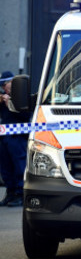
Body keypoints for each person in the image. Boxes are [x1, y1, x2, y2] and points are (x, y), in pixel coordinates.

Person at [0, 71, 29, 207]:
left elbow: (25, 115)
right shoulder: (3, 98)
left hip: (17, 136)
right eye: (3, 86)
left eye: (6, 84)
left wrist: (9, 103)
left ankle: (20, 193)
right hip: (4, 136)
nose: (5, 88)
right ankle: (10, 192)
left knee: (19, 165)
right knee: (5, 167)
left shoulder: (21, 97)